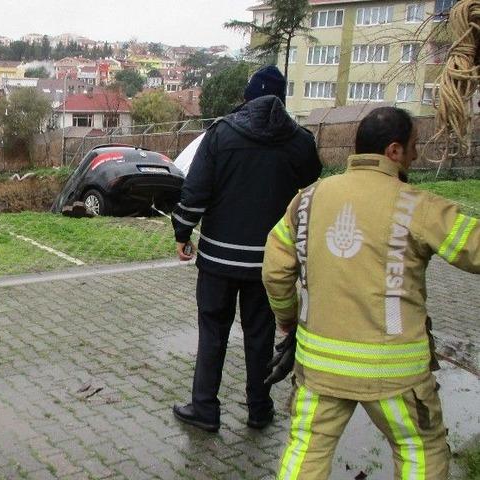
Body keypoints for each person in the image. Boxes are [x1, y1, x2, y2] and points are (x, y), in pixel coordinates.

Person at [262, 106, 479, 479]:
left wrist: (287, 319)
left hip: (319, 368)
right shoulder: (417, 205)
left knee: (306, 449)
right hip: (394, 374)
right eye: (413, 146)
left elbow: (275, 271)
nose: (415, 155)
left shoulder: (307, 200)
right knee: (420, 450)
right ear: (394, 150)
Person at [170, 65, 322, 432]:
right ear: (281, 100)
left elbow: (196, 190)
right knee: (260, 335)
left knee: (213, 333)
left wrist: (182, 231)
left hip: (218, 261)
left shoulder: (221, 134)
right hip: (270, 262)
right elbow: (313, 193)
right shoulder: (300, 141)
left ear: (247, 98)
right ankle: (259, 409)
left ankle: (205, 409)